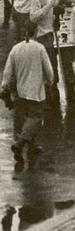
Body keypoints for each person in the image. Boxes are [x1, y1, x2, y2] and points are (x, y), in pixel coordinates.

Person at [1, 21, 53, 169]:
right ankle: (20, 143)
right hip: (36, 90)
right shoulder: (39, 48)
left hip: (20, 90)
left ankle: (32, 146)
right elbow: (48, 70)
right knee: (35, 117)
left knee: (27, 118)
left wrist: (4, 86)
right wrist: (50, 81)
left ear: (24, 32)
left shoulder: (16, 49)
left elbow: (8, 71)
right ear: (36, 32)